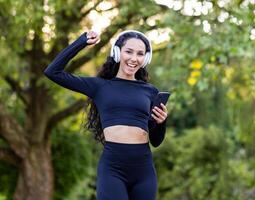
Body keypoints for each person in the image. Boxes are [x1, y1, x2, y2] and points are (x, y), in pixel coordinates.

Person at [44, 29, 168, 200]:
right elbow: (53, 72)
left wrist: (161, 122)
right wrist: (82, 42)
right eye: (129, 51)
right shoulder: (99, 86)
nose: (134, 58)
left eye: (140, 54)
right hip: (113, 169)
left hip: (144, 170)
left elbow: (156, 141)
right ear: (117, 53)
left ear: (146, 58)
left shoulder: (150, 91)